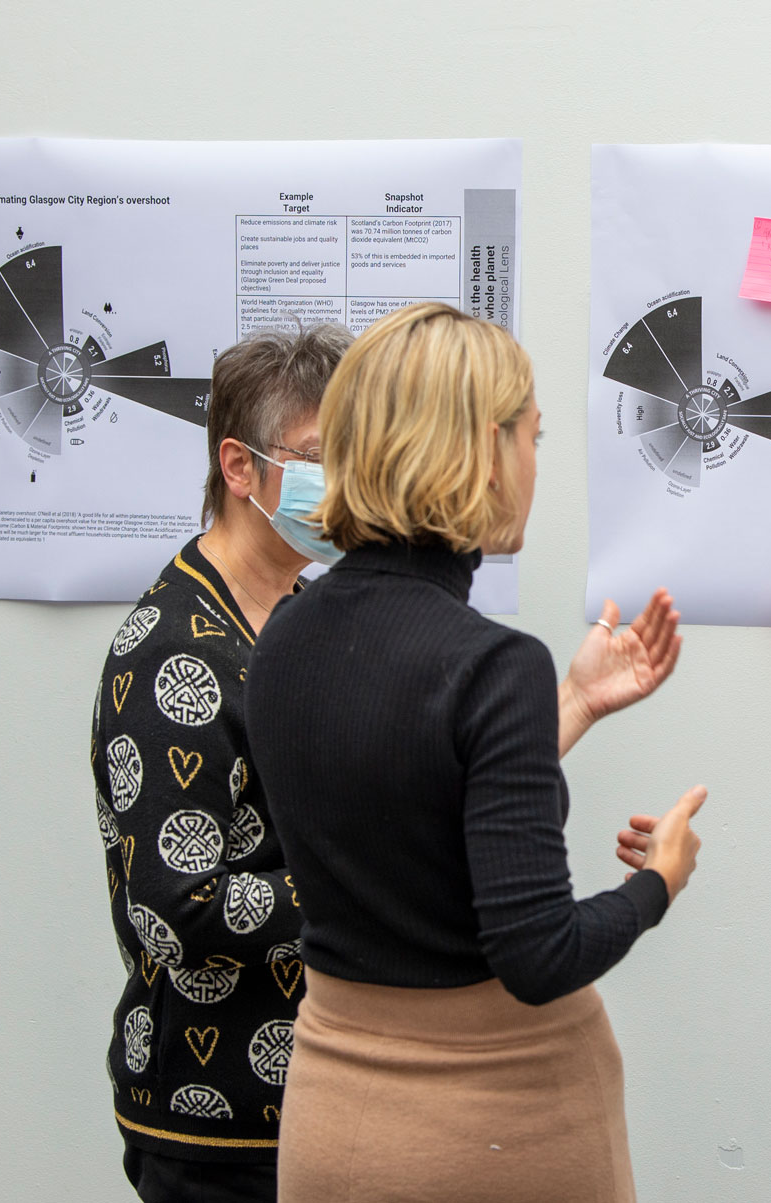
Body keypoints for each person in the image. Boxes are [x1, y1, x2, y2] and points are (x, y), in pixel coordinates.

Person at [246, 302, 705, 1203]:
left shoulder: (285, 637)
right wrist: (658, 882)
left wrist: (567, 704)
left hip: (332, 1122)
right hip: (493, 1133)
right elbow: (538, 955)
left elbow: (403, 801)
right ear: (485, 451)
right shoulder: (492, 664)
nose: (537, 461)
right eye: (532, 436)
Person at [92, 323, 351, 1202]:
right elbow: (178, 905)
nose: (344, 484)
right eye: (320, 456)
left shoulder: (304, 615)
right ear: (239, 468)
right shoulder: (172, 655)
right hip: (214, 1121)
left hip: (317, 1095)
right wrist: (365, 878)